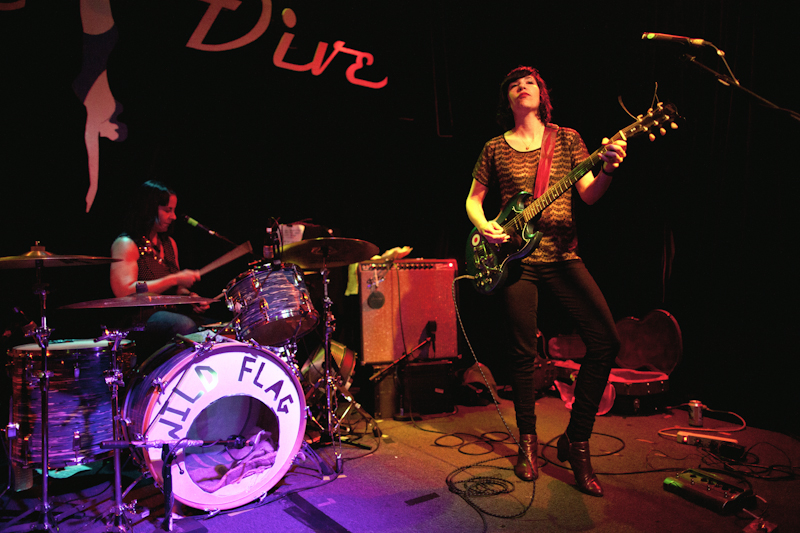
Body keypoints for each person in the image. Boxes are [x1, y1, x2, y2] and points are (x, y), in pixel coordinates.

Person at [466, 66, 632, 497]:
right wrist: (483, 225)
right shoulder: (494, 149)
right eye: (514, 85)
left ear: (543, 94)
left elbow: (589, 194)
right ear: (507, 100)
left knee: (606, 341)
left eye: (531, 83)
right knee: (522, 355)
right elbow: (474, 199)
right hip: (515, 261)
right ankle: (526, 441)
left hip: (562, 256)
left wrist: (609, 168)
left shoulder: (569, 139)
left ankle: (576, 442)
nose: (523, 87)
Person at [110, 180, 208, 354]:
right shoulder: (126, 243)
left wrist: (190, 297)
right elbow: (123, 291)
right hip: (139, 318)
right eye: (167, 210)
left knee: (213, 329)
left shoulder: (169, 244)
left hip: (169, 312)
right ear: (149, 209)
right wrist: (175, 278)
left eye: (174, 210)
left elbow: (175, 290)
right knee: (184, 325)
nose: (174, 216)